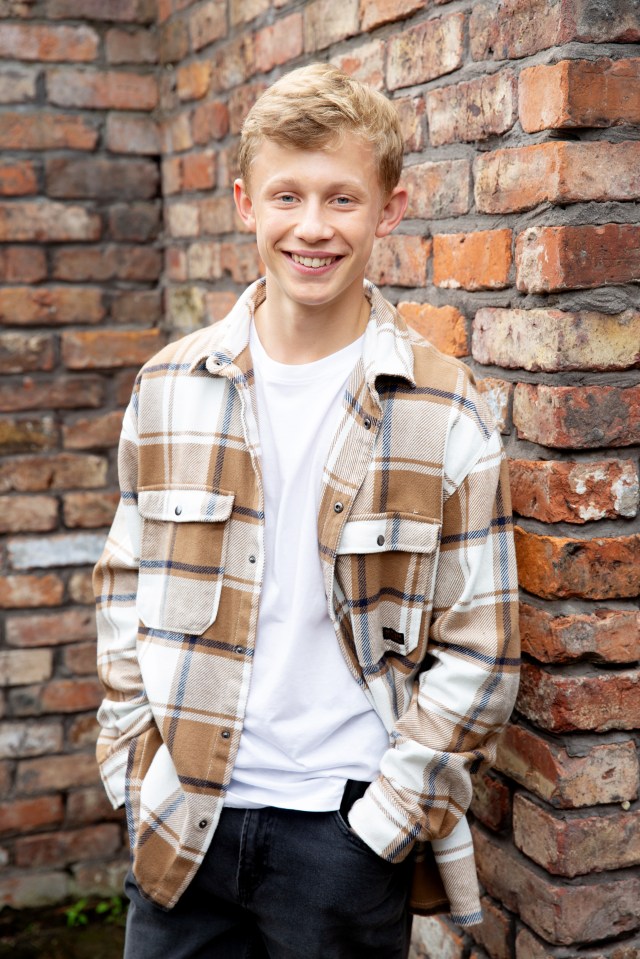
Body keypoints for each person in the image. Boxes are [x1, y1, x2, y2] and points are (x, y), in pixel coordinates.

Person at [94, 62, 520, 959]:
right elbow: (122, 586)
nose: (314, 228)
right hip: (182, 822)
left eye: (343, 199)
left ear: (389, 211)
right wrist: (134, 771)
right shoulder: (170, 387)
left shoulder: (445, 410)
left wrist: (385, 823)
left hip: (341, 838)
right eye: (288, 196)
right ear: (247, 203)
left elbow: (483, 650)